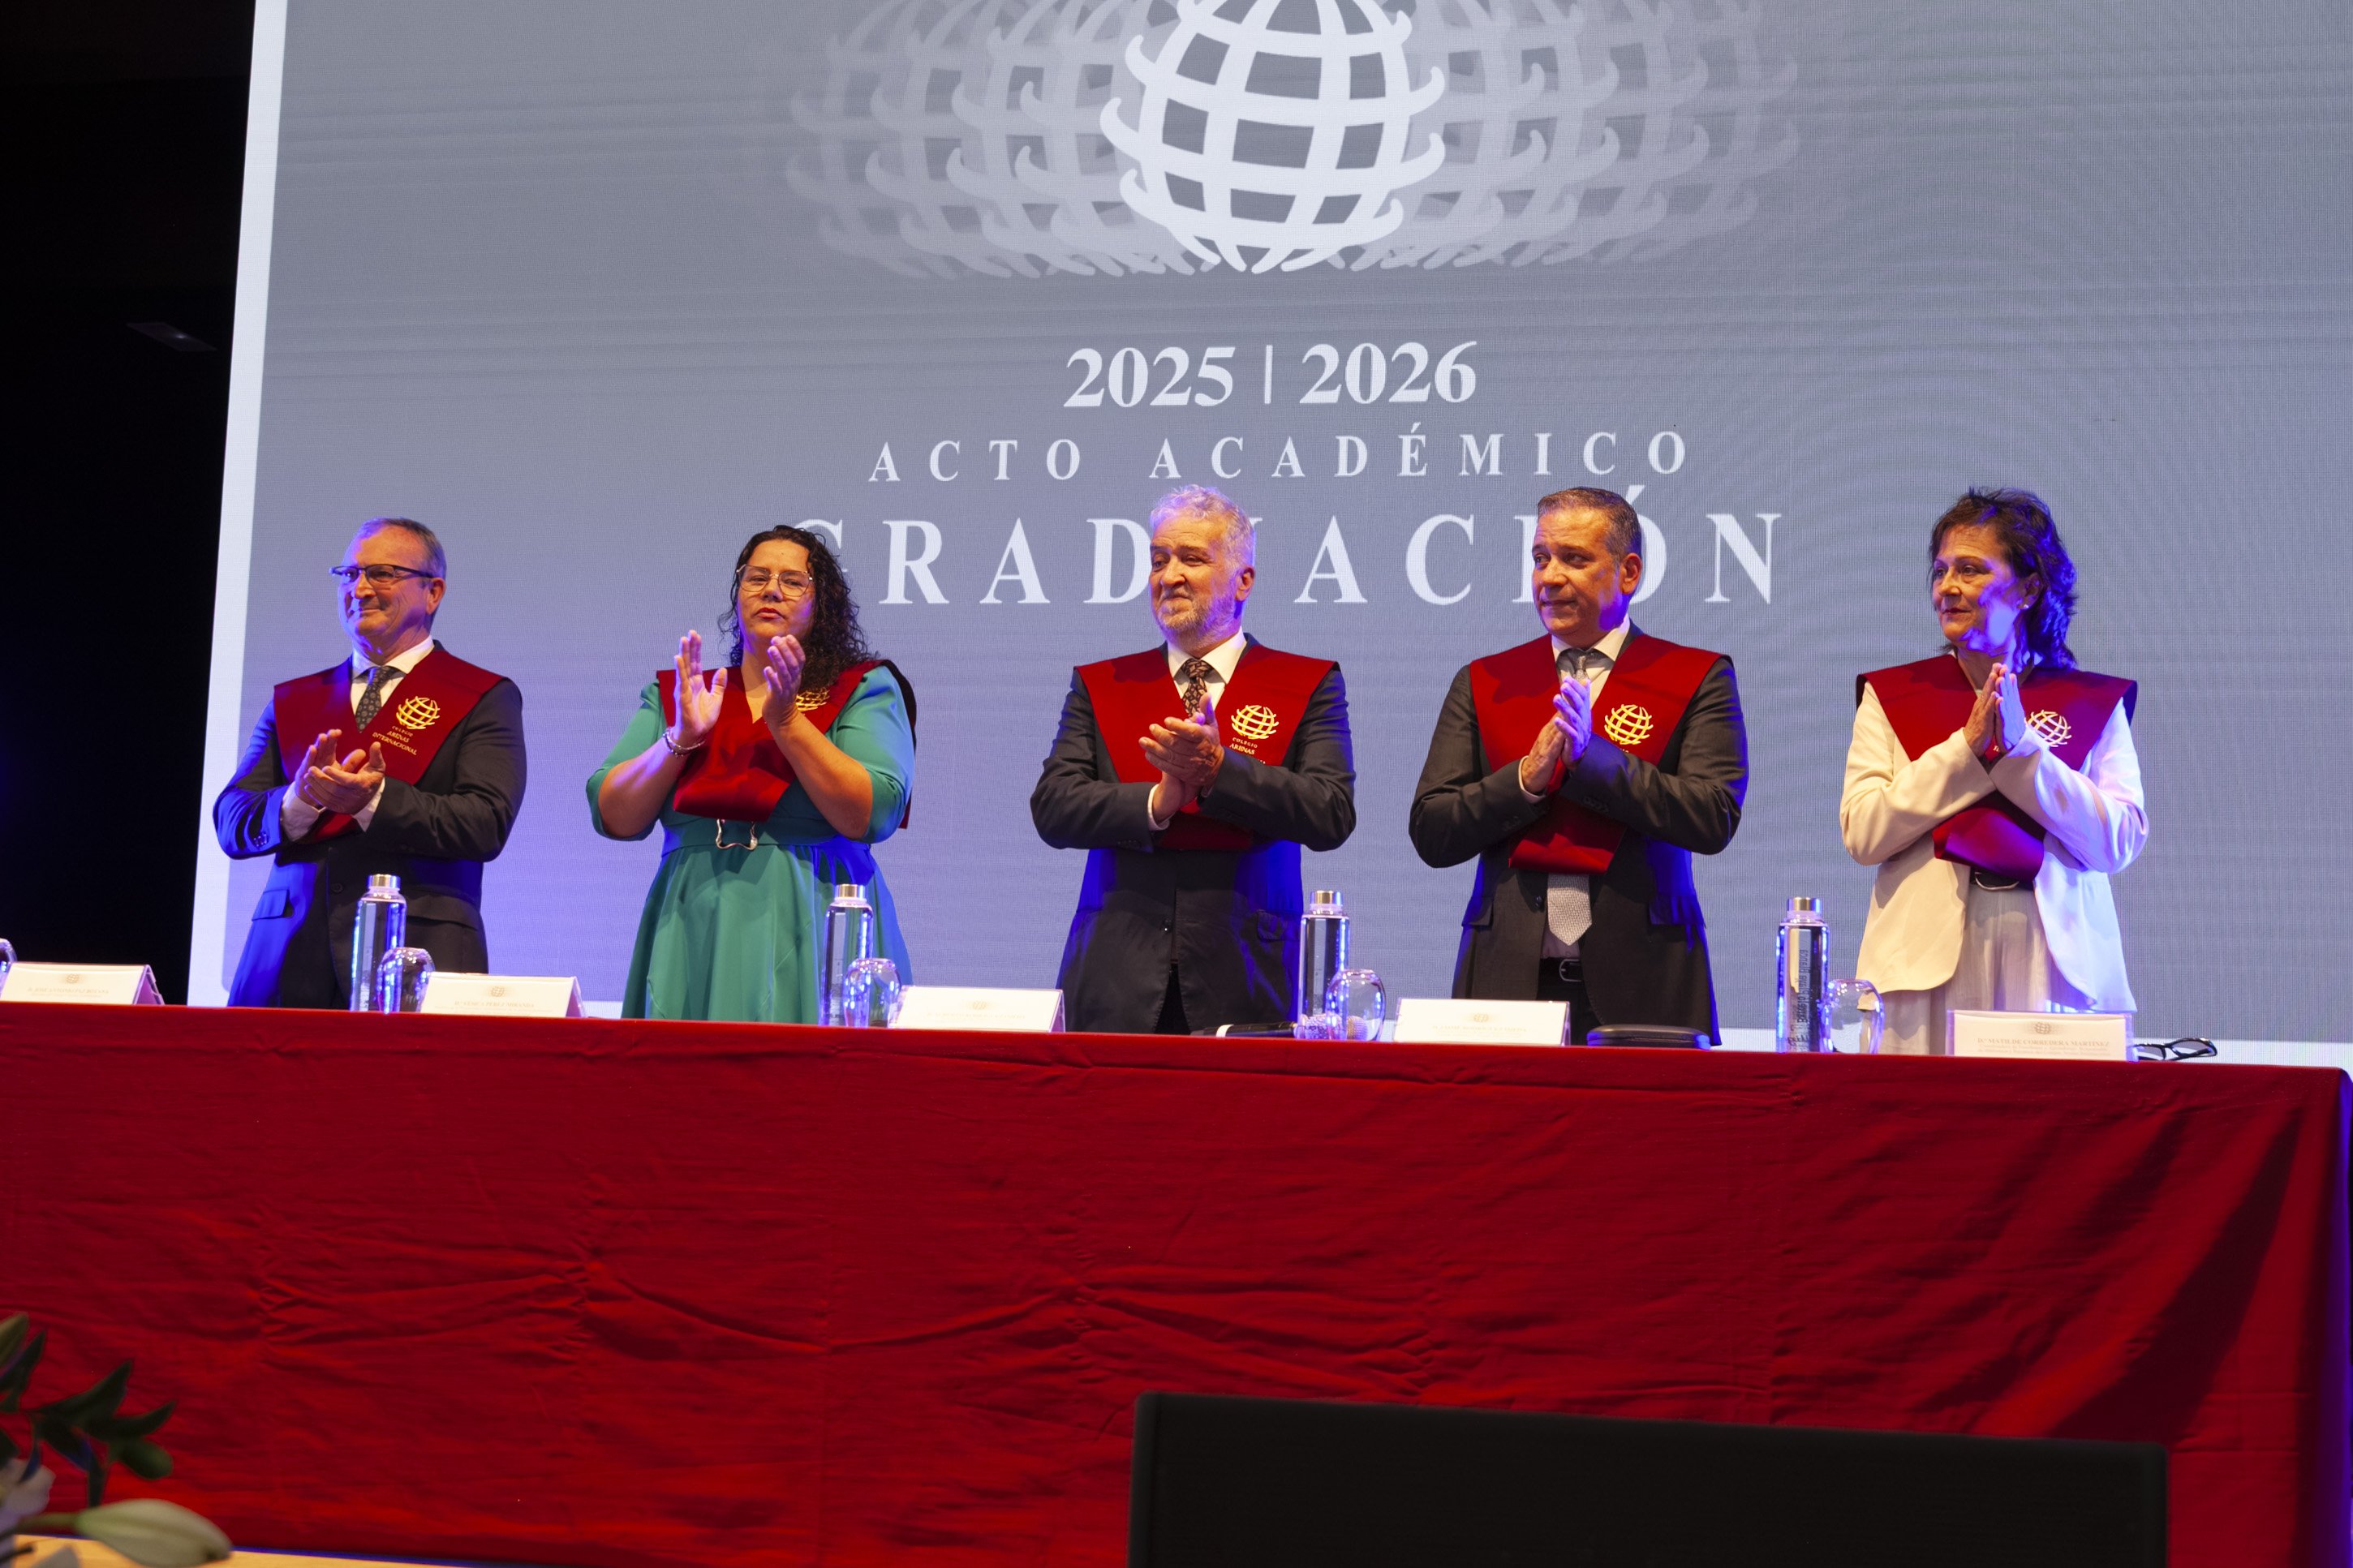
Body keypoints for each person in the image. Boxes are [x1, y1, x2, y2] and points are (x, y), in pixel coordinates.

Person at [1409, 487, 1746, 1042]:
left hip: (1647, 979)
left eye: (1574, 558)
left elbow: (1712, 817)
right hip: (1506, 979)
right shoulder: (1486, 679)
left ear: (1629, 571)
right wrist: (1524, 781)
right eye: (1541, 558)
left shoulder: (1694, 676)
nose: (1550, 577)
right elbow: (1432, 829)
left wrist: (1593, 759)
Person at [1031, 484, 1356, 1034]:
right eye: (1159, 559)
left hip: (1249, 976)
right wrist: (1158, 802)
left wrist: (1218, 771)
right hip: (1115, 978)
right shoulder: (1104, 683)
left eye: (1192, 559)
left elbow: (1330, 812)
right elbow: (1054, 807)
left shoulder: (1306, 682)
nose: (1170, 575)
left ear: (1243, 580)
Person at [1842, 488, 2144, 1054]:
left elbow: (2118, 841)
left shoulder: (2090, 702)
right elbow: (1863, 832)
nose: (1946, 587)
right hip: (1922, 967)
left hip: (2054, 967)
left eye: (1971, 569)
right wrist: (1964, 751)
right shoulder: (1894, 694)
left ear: (2029, 588)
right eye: (1940, 571)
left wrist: (2022, 750)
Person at [588, 526, 914, 1023]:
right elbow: (614, 815)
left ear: (822, 604)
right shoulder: (689, 693)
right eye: (757, 577)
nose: (772, 591)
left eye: (794, 581)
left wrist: (788, 723)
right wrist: (681, 738)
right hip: (693, 922)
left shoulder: (862, 688)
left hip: (816, 915)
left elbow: (873, 813)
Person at [214, 517, 527, 1007]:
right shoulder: (296, 699)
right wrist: (299, 800)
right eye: (348, 574)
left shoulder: (481, 695)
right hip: (286, 960)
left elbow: (484, 823)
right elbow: (232, 819)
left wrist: (373, 800)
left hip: (418, 953)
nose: (359, 589)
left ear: (433, 592)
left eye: (382, 573)